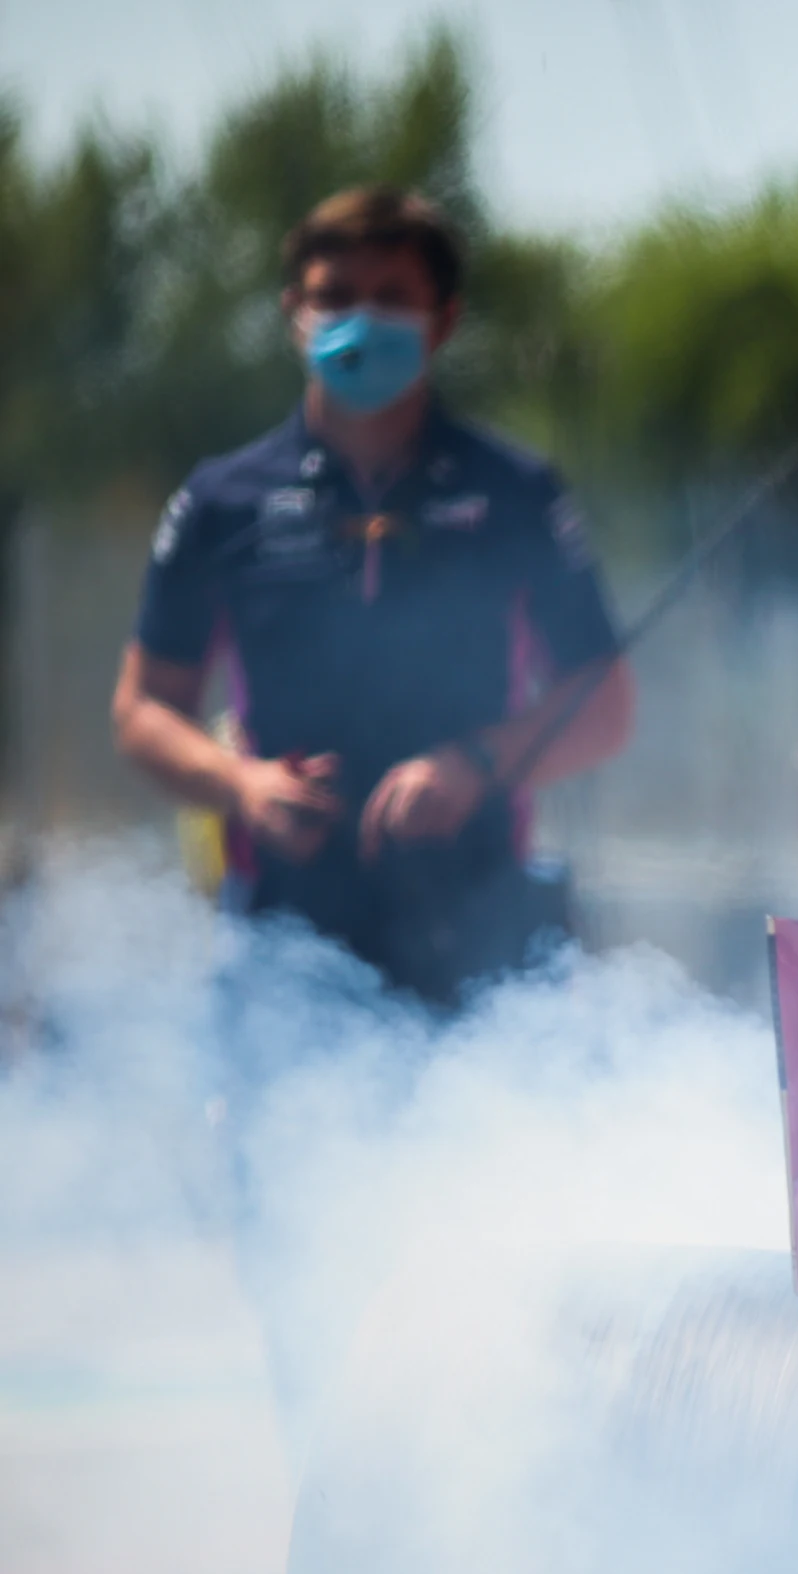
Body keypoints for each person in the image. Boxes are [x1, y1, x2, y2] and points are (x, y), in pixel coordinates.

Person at [111, 184, 637, 1005]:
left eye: (392, 297)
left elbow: (602, 703)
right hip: (281, 940)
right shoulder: (221, 500)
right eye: (335, 297)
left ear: (445, 319)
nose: (360, 318)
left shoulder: (516, 492)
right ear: (294, 312)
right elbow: (143, 709)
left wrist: (475, 764)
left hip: (486, 932)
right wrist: (243, 785)